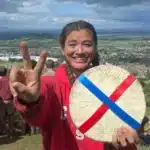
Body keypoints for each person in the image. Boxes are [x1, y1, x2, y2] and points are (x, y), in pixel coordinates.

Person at [9, 20, 140, 150]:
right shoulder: (52, 86)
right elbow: (35, 118)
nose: (80, 51)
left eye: (87, 44)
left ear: (95, 48)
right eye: (72, 45)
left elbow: (122, 129)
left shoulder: (109, 88)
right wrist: (30, 101)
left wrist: (124, 140)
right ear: (62, 49)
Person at [0, 67, 14, 138]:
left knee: (1, 117)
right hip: (10, 100)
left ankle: (3, 130)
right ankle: (10, 131)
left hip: (1, 101)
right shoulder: (9, 80)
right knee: (10, 116)